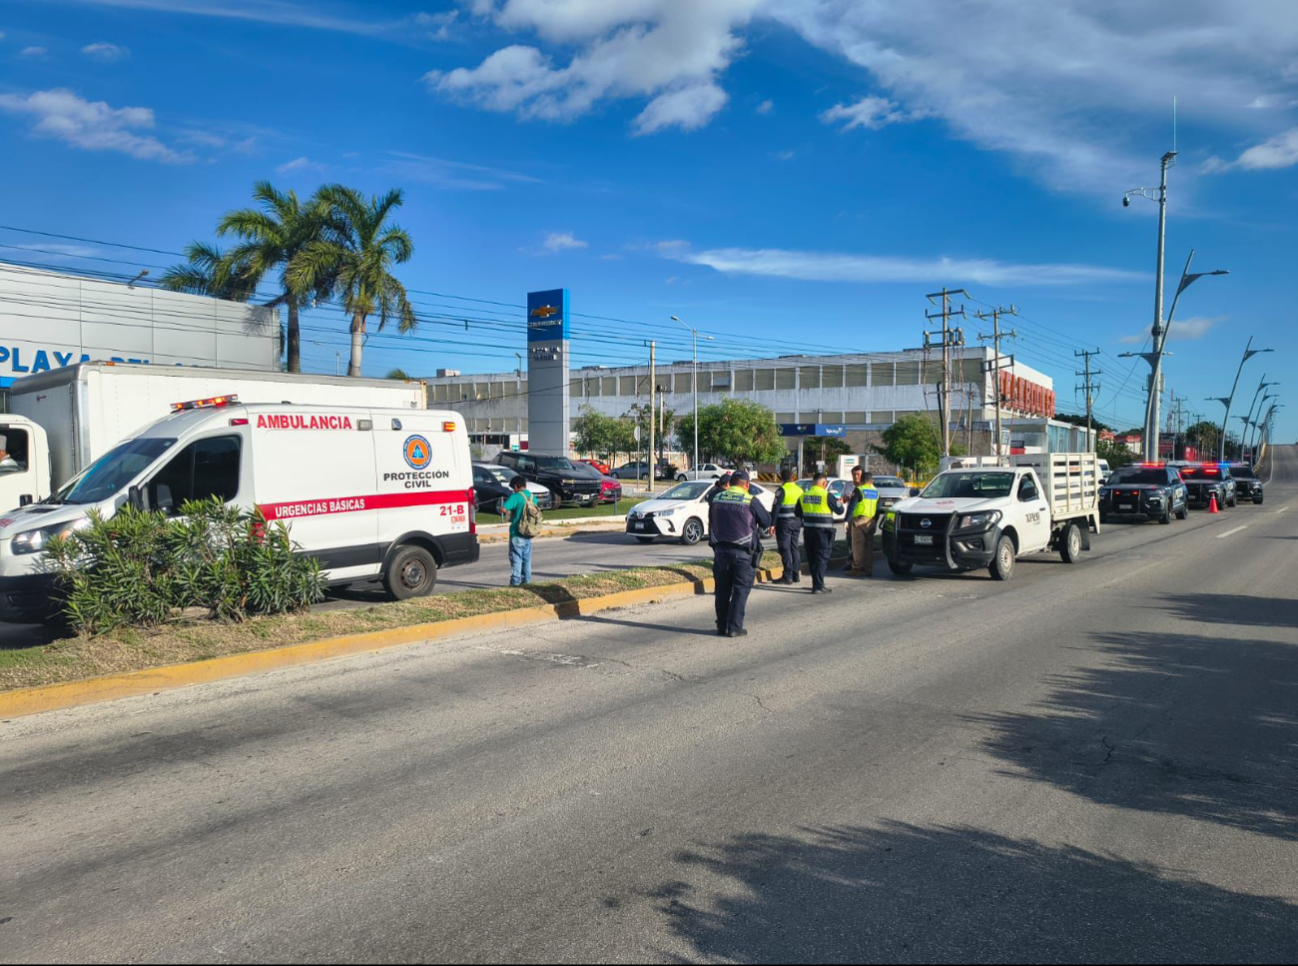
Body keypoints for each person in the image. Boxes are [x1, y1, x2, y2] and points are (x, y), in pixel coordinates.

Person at [708, 469, 773, 638]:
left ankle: (722, 626)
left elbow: (712, 521)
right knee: (740, 591)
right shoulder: (750, 500)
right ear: (747, 484)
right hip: (743, 554)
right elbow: (766, 521)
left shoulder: (716, 497)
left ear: (730, 483)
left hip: (720, 551)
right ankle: (735, 627)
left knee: (722, 591)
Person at [798, 472, 843, 594]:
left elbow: (797, 512)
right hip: (823, 532)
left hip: (808, 531)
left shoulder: (804, 495)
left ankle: (817, 583)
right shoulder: (826, 495)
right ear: (824, 483)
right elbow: (840, 510)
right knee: (822, 558)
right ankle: (818, 586)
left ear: (813, 482)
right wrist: (840, 502)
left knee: (812, 558)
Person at [500, 475, 535, 587]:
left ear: (515, 486)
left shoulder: (516, 496)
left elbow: (503, 508)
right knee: (527, 559)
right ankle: (527, 582)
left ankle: (515, 583)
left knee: (516, 558)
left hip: (517, 532)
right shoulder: (532, 496)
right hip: (528, 531)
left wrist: (511, 514)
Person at [844, 470, 880, 576]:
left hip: (859, 521)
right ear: (871, 481)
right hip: (871, 521)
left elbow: (852, 506)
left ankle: (858, 568)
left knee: (857, 545)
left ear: (862, 480)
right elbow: (878, 508)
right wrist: (875, 520)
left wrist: (846, 520)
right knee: (869, 546)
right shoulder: (876, 492)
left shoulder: (859, 490)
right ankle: (868, 569)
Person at [773, 467, 804, 584]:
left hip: (784, 523)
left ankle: (787, 576)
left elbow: (776, 508)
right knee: (794, 547)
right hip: (796, 522)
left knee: (785, 548)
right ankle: (796, 575)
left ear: (782, 478)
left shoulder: (781, 490)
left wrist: (772, 524)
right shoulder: (800, 490)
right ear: (793, 477)